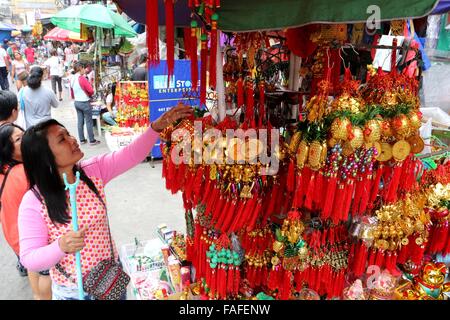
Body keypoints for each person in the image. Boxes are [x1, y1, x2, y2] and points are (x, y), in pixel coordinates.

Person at [18, 103, 192, 300]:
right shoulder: (33, 201)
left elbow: (131, 154)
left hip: (110, 282)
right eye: (62, 139)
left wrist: (156, 128)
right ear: (44, 158)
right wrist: (60, 246)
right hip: (73, 293)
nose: (73, 140)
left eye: (68, 134)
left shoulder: (92, 171)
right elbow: (29, 259)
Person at [0, 122, 52, 300]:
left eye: (24, 134)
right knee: (46, 272)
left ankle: (37, 296)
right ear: (7, 150)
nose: (26, 139)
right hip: (29, 234)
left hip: (13, 233)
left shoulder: (4, 170)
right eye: (18, 139)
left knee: (33, 267)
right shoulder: (24, 172)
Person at [70, 61, 99, 145]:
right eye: (83, 68)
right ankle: (92, 140)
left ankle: (82, 140)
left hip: (77, 102)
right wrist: (90, 95)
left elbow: (71, 92)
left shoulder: (72, 78)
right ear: (81, 68)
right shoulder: (82, 78)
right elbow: (91, 90)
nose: (85, 70)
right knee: (89, 122)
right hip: (84, 102)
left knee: (80, 121)